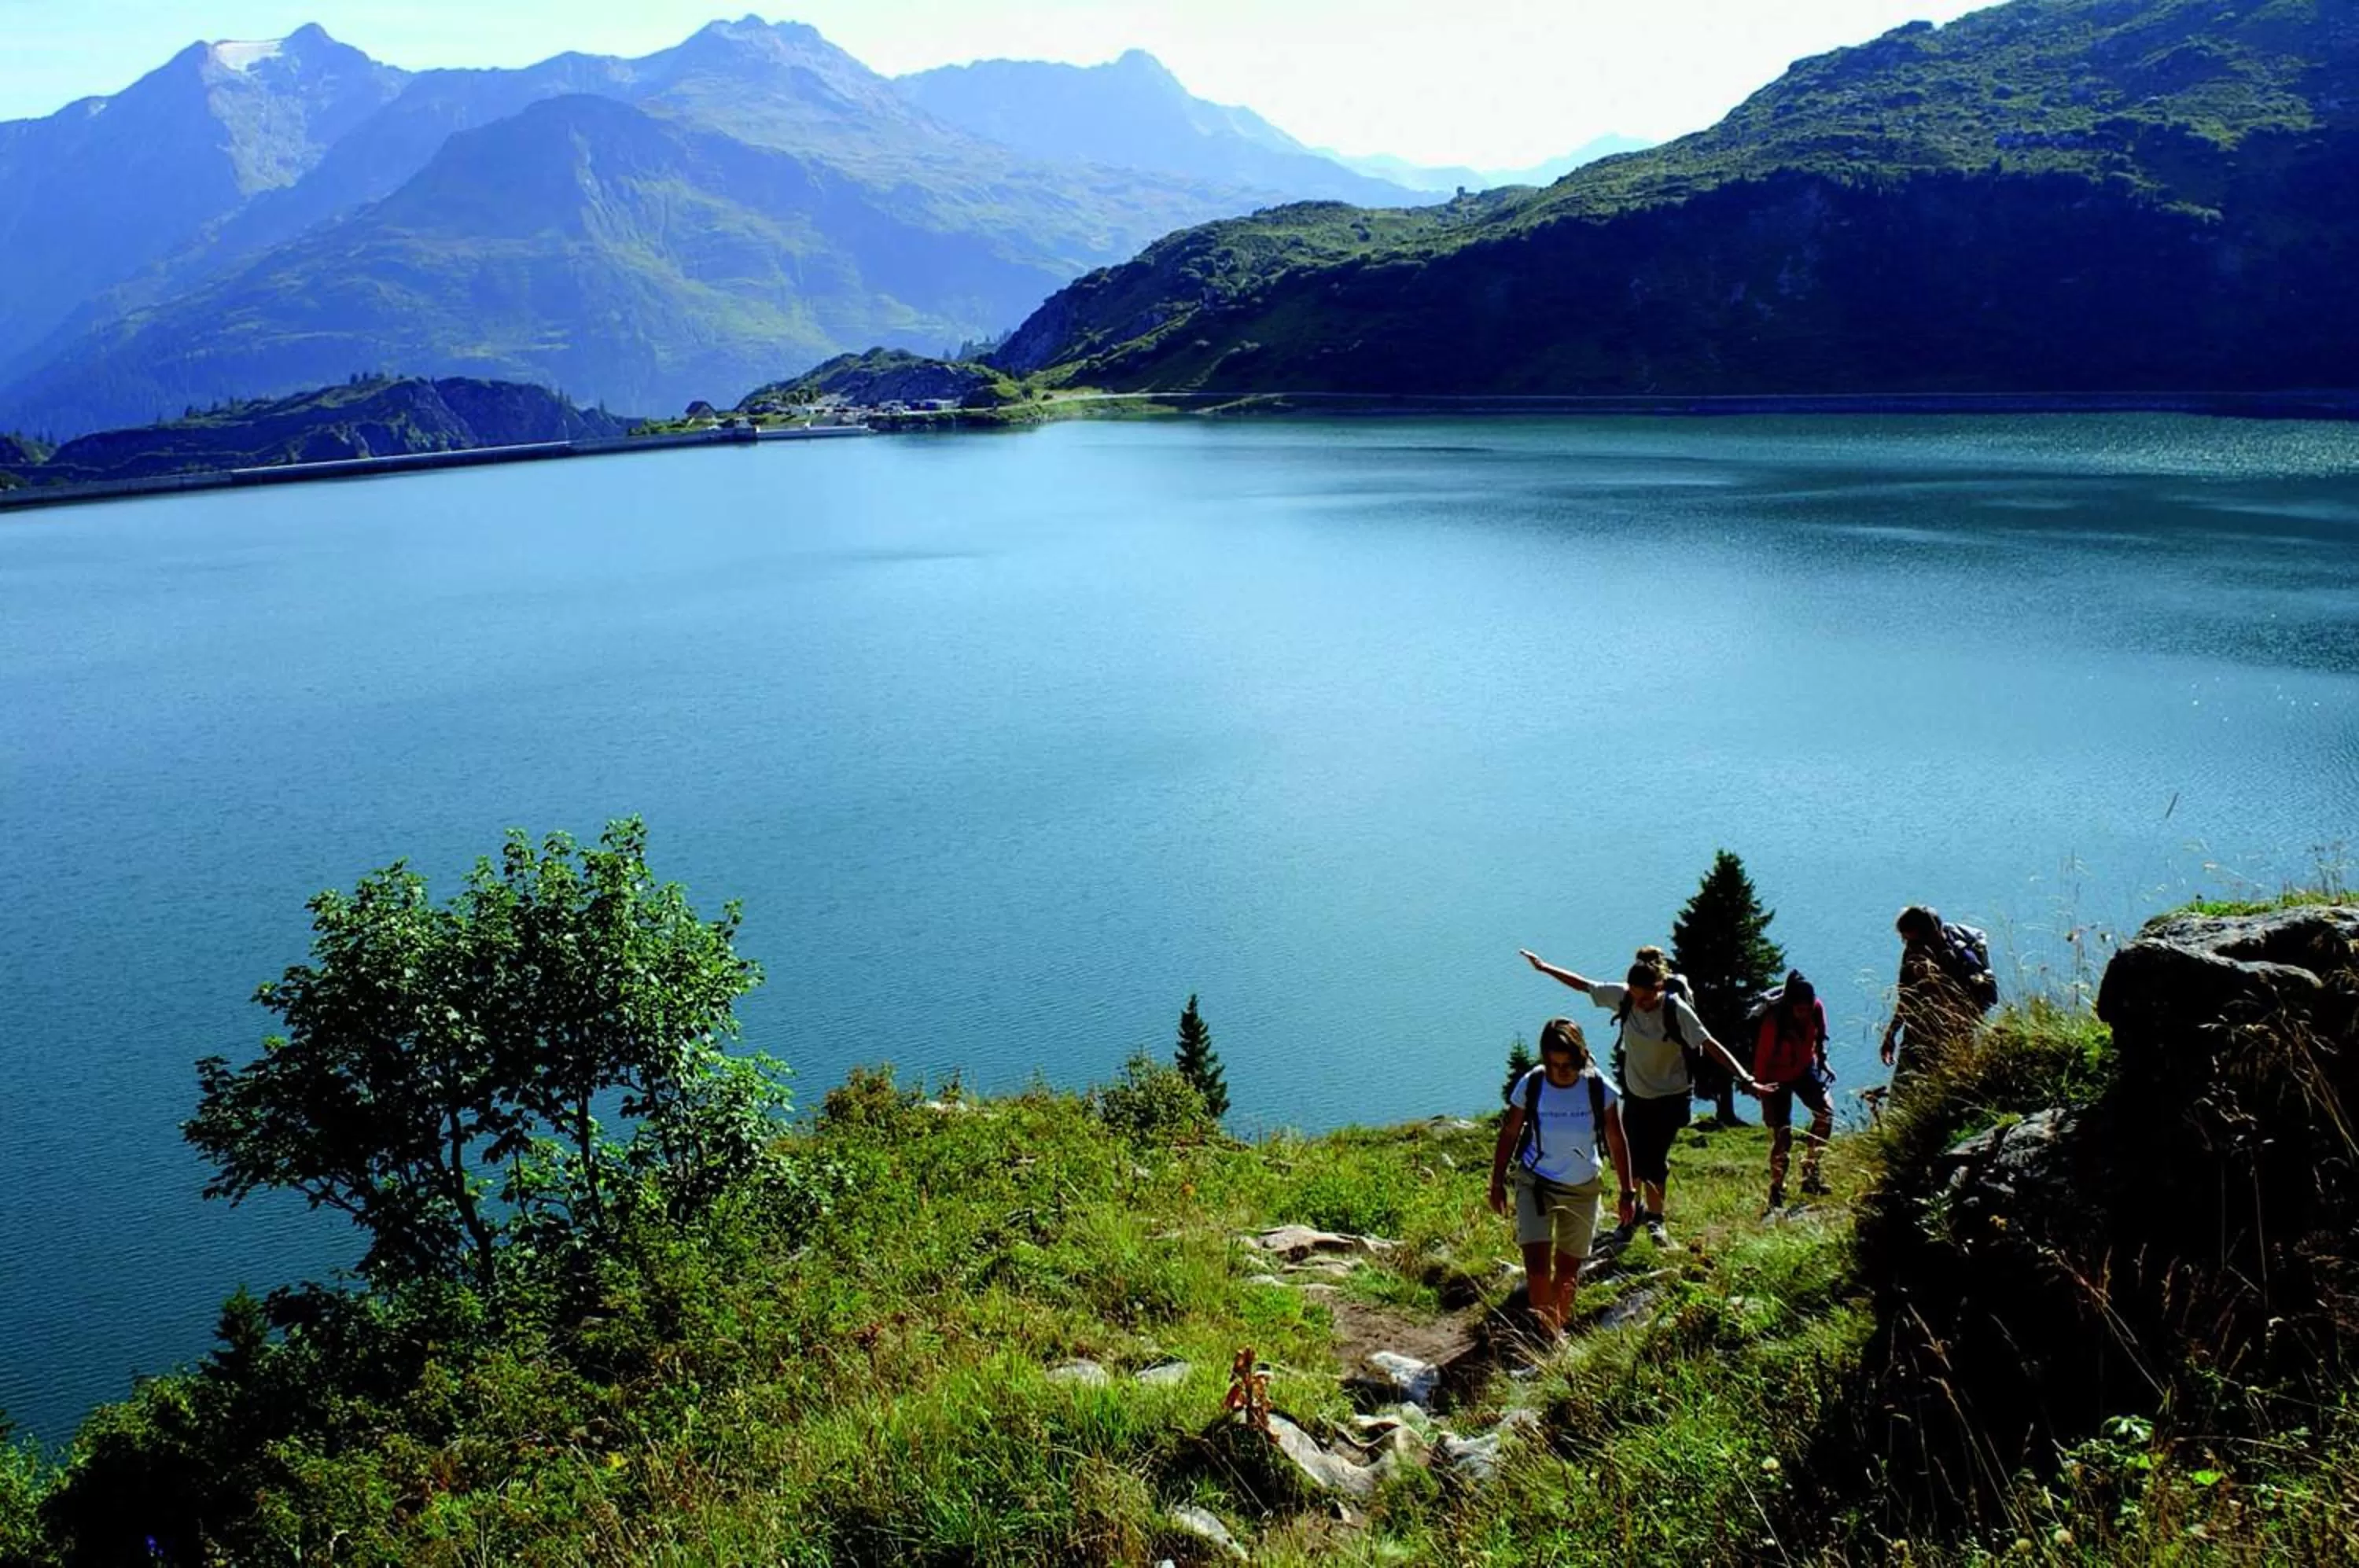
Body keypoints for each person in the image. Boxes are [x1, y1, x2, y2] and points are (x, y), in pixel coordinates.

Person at [1519, 945, 1771, 1247]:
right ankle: (1630, 1218)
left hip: (1672, 1096)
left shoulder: (1676, 1010)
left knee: (1654, 1161)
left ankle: (1655, 1220)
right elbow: (1584, 985)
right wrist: (1545, 967)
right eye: (1636, 997)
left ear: (1659, 987)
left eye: (1647, 998)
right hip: (1637, 1095)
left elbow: (1710, 1043)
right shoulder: (1624, 998)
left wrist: (1746, 1078)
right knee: (1631, 1158)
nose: (1641, 1004)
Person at [1489, 1018, 1635, 1338]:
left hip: (1583, 1189)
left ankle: (1555, 1327)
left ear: (1580, 1057)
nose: (1560, 1071)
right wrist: (1497, 1182)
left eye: (1567, 1064)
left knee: (1568, 1273)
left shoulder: (1598, 1087)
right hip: (1535, 1182)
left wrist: (1628, 1192)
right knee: (1537, 1269)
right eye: (1554, 1064)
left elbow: (1617, 1139)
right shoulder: (1532, 1084)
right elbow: (1510, 1131)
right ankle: (1548, 1338)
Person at [1752, 970, 1832, 1213]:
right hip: (1775, 1078)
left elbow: (1821, 1037)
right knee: (1782, 1136)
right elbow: (1762, 1059)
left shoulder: (1816, 1008)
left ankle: (1811, 1174)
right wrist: (1761, 1090)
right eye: (1800, 1009)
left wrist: (1823, 1061)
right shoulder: (1773, 1022)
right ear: (1790, 1006)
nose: (1804, 1013)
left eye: (1808, 1008)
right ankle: (1777, 1190)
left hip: (1804, 1068)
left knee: (1826, 1115)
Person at [1879, 905, 1981, 1091]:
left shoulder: (1925, 957)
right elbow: (1908, 997)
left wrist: (1891, 1034)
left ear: (1925, 935)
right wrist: (1890, 1035)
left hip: (1925, 1036)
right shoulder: (1946, 953)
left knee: (1906, 1092)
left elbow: (1907, 999)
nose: (1906, 943)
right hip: (1956, 1035)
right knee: (1956, 1088)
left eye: (1909, 938)